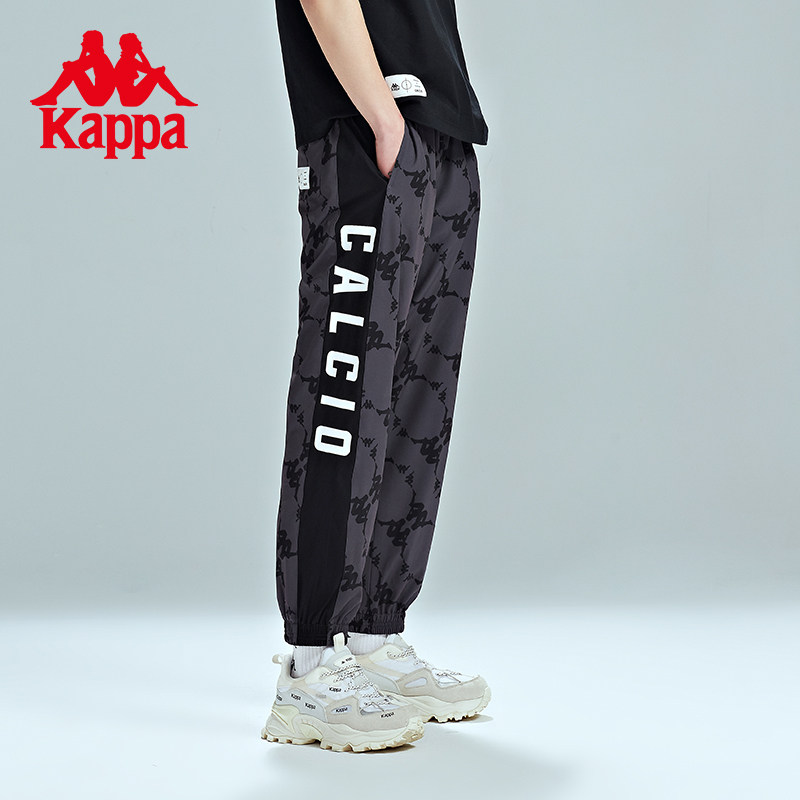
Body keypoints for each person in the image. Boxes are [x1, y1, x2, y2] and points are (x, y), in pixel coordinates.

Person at [262, 0, 490, 752]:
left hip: (441, 125)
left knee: (417, 396)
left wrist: (422, 129)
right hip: (367, 126)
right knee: (346, 397)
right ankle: (309, 667)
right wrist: (382, 118)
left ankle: (373, 635)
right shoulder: (375, 123)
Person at [30, 30, 115, 107]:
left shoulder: (98, 57)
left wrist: (81, 53)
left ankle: (51, 96)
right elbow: (80, 65)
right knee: (72, 69)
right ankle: (51, 96)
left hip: (97, 99)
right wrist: (73, 63)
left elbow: (78, 66)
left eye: (85, 41)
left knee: (71, 70)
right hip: (98, 98)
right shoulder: (99, 56)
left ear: (92, 43)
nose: (82, 43)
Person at [113, 33, 197, 107]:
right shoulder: (127, 61)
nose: (140, 42)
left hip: (129, 99)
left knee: (158, 73)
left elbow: (148, 69)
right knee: (158, 73)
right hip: (131, 99)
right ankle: (179, 99)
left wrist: (157, 70)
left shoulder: (128, 60)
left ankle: (179, 99)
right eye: (137, 41)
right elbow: (149, 70)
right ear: (131, 45)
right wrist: (140, 52)